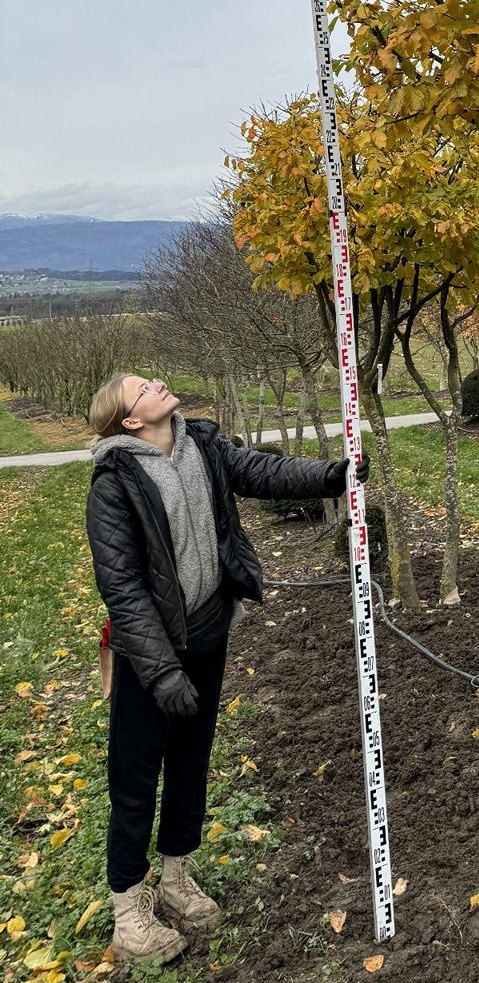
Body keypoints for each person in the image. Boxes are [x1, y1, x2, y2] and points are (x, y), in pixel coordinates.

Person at [85, 373, 368, 963]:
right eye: (142, 387)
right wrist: (162, 674)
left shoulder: (202, 444)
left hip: (208, 635)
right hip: (148, 657)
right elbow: (124, 587)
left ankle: (175, 881)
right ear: (129, 421)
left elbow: (262, 473)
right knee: (135, 782)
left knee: (190, 762)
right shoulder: (114, 485)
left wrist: (332, 475)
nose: (158, 383)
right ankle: (128, 912)